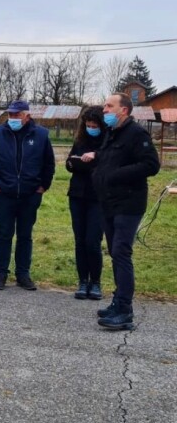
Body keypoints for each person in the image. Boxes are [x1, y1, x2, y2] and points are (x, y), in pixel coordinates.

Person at [92, 93, 160, 330]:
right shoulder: (112, 133)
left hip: (128, 203)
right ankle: (117, 301)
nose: (105, 110)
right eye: (105, 106)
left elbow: (151, 165)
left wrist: (115, 175)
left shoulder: (136, 134)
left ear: (124, 110)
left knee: (121, 252)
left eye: (109, 106)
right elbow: (110, 158)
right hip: (108, 202)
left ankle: (124, 310)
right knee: (114, 251)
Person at [0, 99, 55, 291]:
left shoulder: (41, 135)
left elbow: (49, 164)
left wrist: (42, 187)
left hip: (30, 194)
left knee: (25, 235)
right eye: (10, 114)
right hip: (4, 193)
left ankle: (23, 274)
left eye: (17, 115)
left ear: (27, 116)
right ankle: (0, 273)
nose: (12, 118)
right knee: (3, 233)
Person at [65, 106, 105, 300]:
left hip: (98, 198)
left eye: (94, 125)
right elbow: (69, 163)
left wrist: (95, 157)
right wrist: (74, 162)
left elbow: (110, 163)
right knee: (80, 240)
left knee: (92, 241)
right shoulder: (80, 141)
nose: (91, 128)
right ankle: (82, 281)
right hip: (77, 195)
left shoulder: (108, 142)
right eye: (88, 125)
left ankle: (96, 282)